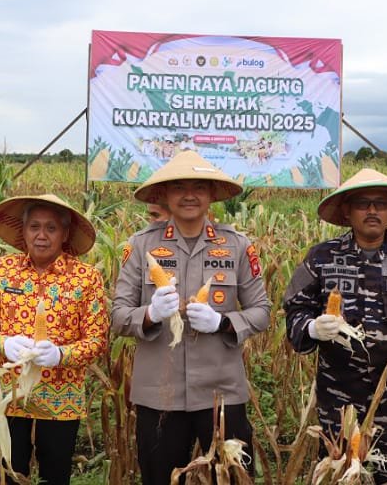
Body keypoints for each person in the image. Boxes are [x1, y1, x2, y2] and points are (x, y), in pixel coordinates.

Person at [111, 150, 270, 484]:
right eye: (179, 187)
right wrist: (151, 314)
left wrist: (223, 322)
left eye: (199, 186)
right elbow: (118, 315)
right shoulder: (140, 246)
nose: (189, 195)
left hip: (222, 393)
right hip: (159, 393)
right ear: (165, 196)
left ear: (211, 194)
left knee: (233, 477)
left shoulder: (237, 246)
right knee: (161, 478)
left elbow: (261, 311)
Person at [283, 168, 387, 484]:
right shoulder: (321, 257)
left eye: (380, 203)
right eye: (362, 203)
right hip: (338, 400)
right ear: (347, 211)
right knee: (341, 475)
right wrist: (311, 328)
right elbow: (294, 309)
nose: (372, 211)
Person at [0, 194, 108, 485]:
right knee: (7, 474)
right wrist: (3, 344)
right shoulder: (0, 270)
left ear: (65, 234)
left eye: (51, 228)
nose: (42, 235)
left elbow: (97, 338)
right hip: (9, 398)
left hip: (61, 401)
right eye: (34, 226)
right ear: (23, 231)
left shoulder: (86, 278)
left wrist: (62, 355)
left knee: (55, 476)